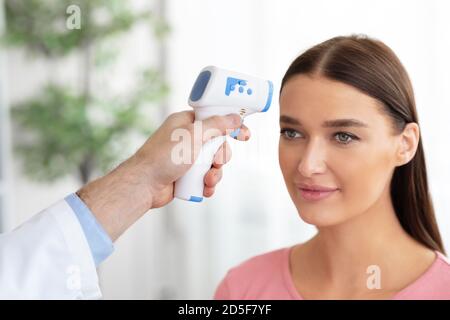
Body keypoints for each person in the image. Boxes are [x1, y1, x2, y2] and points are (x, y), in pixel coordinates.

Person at [214, 35, 450, 300]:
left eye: (343, 136)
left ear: (405, 145)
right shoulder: (242, 289)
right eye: (292, 133)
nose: (307, 165)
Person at [0, 111, 250, 299]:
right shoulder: (240, 285)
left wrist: (147, 177)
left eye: (292, 132)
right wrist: (146, 176)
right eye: (287, 132)